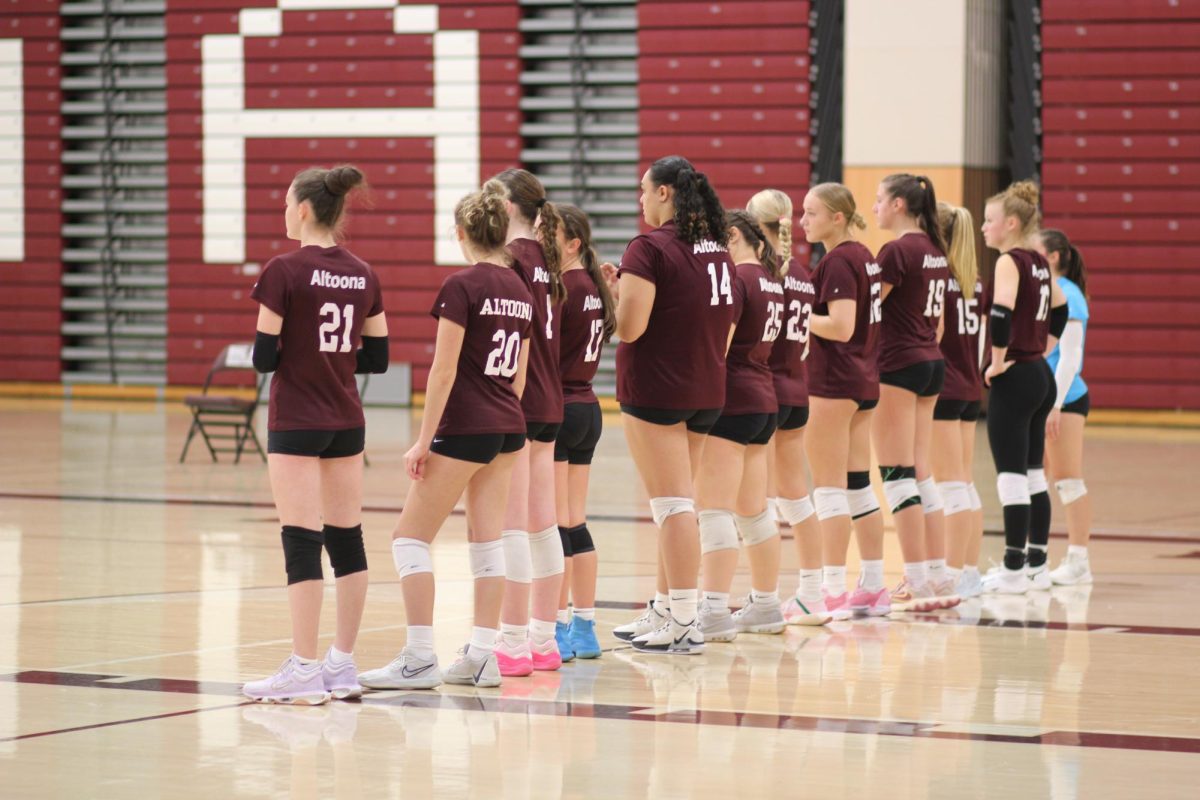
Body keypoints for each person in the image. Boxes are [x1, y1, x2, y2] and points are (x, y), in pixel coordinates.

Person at [357, 188, 532, 690]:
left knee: (409, 539)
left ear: (461, 233)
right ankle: (482, 655)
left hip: (466, 426)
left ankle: (418, 657)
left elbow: (443, 371)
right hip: (507, 425)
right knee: (486, 542)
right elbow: (519, 376)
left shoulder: (461, 285)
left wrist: (421, 441)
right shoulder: (521, 290)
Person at [243, 165, 388, 704]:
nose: (284, 211)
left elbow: (262, 358)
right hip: (346, 418)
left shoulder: (283, 270)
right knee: (347, 539)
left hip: (298, 418)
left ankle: (304, 669)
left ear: (304, 208)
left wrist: (298, 355)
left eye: (286, 203)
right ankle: (342, 664)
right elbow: (378, 357)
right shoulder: (363, 272)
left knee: (301, 542)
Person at [604, 155, 733, 654]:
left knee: (673, 505)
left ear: (664, 194)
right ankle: (665, 606)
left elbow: (631, 327)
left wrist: (611, 294)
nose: (640, 200)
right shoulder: (715, 247)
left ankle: (683, 619)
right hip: (706, 387)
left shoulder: (648, 248)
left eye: (643, 190)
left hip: (658, 388)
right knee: (677, 505)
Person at [484, 169, 568, 676]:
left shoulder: (510, 258)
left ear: (508, 205)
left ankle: (513, 643)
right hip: (550, 398)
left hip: (519, 396)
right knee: (543, 523)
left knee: (514, 526)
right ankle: (542, 640)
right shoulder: (547, 256)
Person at [696, 210, 786, 641]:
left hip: (731, 400)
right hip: (764, 400)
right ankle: (766, 604)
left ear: (732, 237)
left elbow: (720, 345)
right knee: (753, 512)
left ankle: (713, 611)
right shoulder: (771, 281)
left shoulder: (737, 280)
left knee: (713, 508)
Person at [870, 174, 956, 613]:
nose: (874, 208)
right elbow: (938, 321)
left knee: (897, 473)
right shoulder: (935, 249)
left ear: (900, 204)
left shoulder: (897, 251)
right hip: (931, 363)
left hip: (899, 366)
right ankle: (937, 574)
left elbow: (869, 315)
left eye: (879, 200)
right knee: (922, 471)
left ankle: (916, 578)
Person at [799, 183, 884, 621]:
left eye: (811, 213)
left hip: (835, 383)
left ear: (837, 217)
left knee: (829, 489)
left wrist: (798, 312)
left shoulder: (837, 261)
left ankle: (831, 588)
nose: (802, 221)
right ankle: (872, 585)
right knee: (858, 486)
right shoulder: (865, 257)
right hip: (865, 380)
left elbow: (841, 325)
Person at [979, 181, 1068, 594]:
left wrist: (997, 363)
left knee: (1011, 476)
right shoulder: (1038, 259)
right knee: (1034, 475)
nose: (984, 227)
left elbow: (1000, 314)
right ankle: (1037, 563)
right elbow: (1061, 309)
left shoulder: (1009, 261)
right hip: (1040, 374)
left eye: (989, 220)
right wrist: (1042, 348)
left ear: (1010, 223)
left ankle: (1013, 569)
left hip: (1016, 377)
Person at [746, 189, 827, 626]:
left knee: (757, 503)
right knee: (796, 499)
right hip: (797, 389)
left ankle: (764, 598)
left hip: (765, 393)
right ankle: (812, 593)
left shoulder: (759, 271)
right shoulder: (799, 271)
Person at [552, 204, 615, 660]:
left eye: (547, 233)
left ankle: (555, 627)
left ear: (572, 243)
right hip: (588, 408)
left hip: (560, 408)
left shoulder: (565, 289)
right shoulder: (593, 285)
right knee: (574, 521)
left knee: (557, 525)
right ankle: (586, 626)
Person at [933, 203, 988, 598]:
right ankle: (968, 570)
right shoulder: (975, 280)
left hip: (945, 387)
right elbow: (983, 341)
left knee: (950, 484)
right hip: (970, 386)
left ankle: (951, 573)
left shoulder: (938, 278)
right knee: (965, 482)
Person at [1040, 228, 1093, 586]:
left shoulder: (1070, 295)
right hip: (1040, 399)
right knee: (1035, 478)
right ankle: (1031, 559)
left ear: (1054, 256)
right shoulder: (1044, 292)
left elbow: (1070, 358)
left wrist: (1056, 405)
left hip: (1066, 399)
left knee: (1067, 480)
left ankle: (1078, 561)